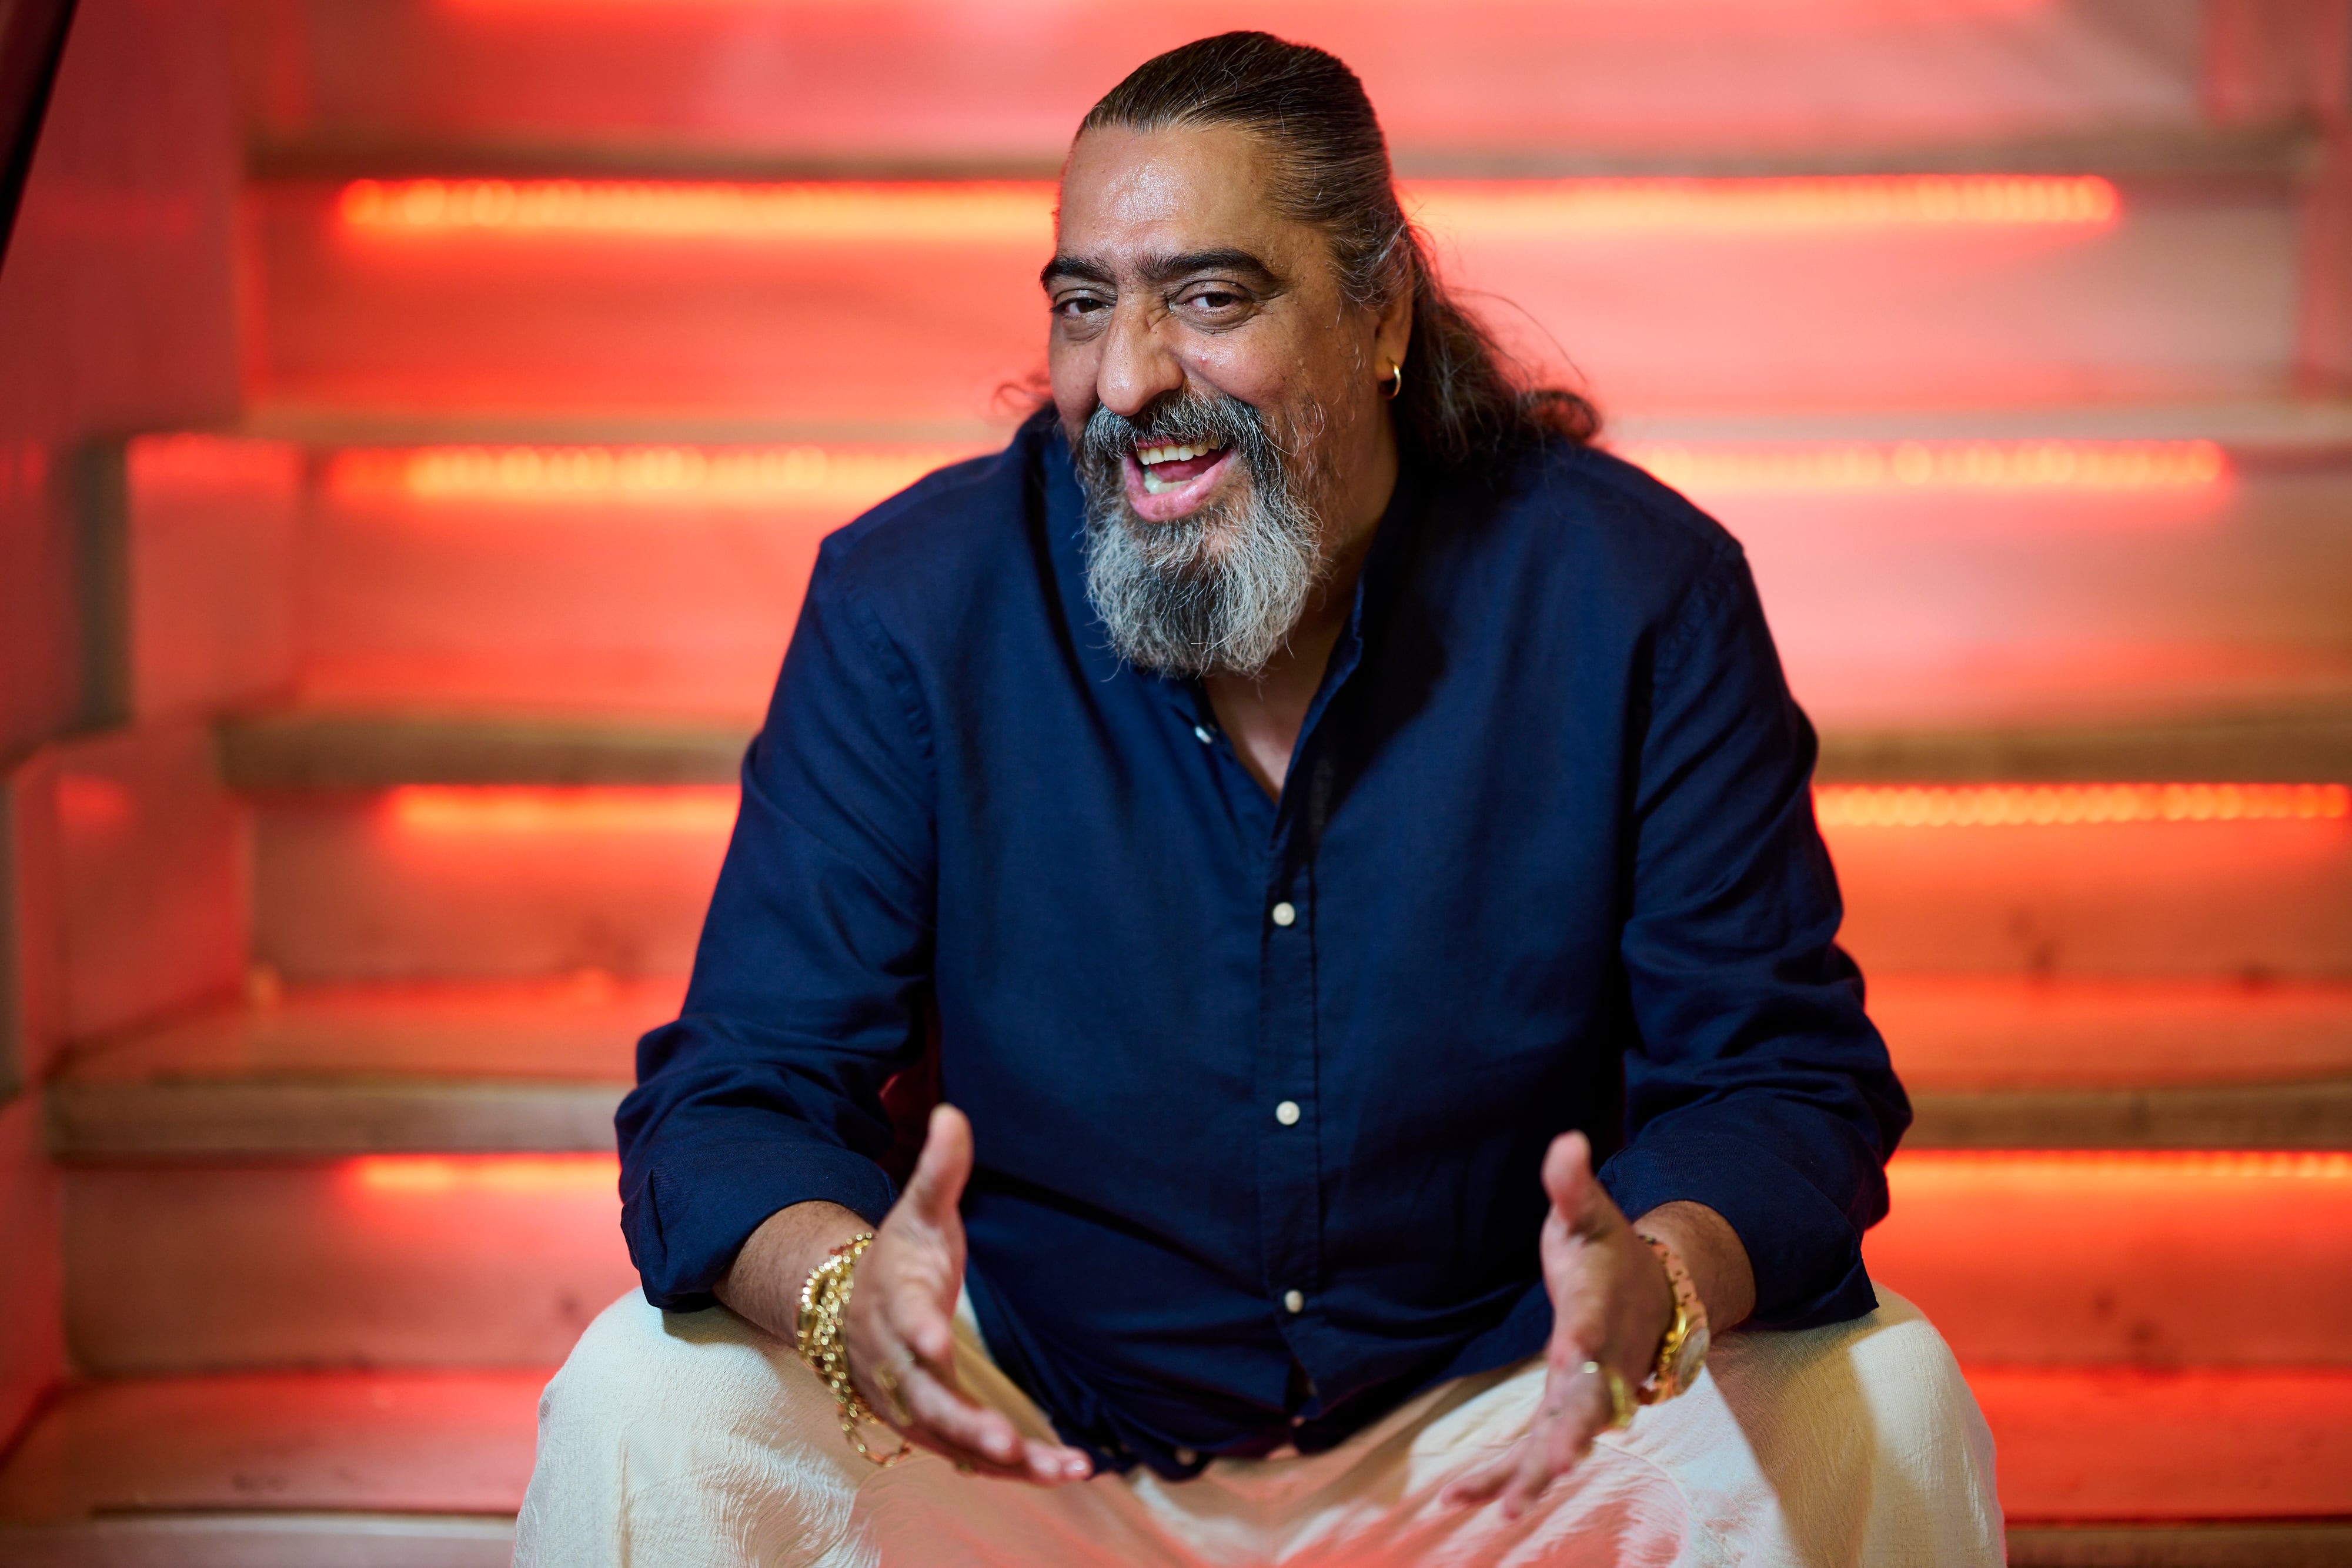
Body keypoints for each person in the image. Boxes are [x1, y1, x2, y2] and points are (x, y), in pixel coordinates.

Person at [517, 31, 2002, 1567]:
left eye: (1210, 298)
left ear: (1380, 313)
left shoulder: (1637, 595)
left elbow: (1781, 1079)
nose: (1129, 375)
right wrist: (849, 1293)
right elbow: (735, 1093)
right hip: (1024, 1432)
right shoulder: (915, 605)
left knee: (1882, 1394)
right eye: (1085, 303)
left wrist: (1668, 1279)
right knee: (646, 1393)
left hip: (1510, 1420)